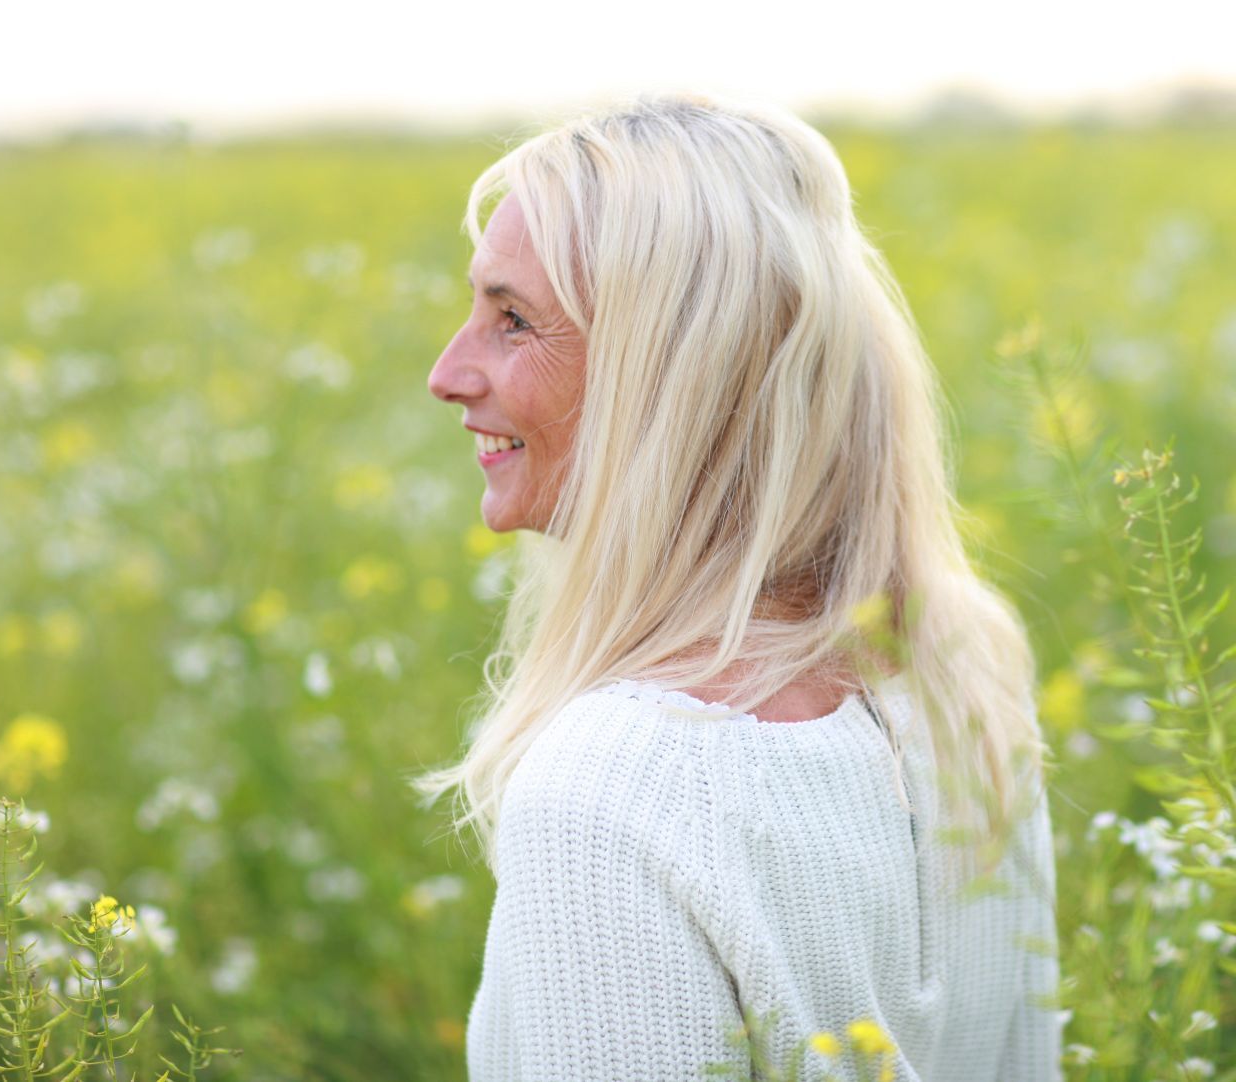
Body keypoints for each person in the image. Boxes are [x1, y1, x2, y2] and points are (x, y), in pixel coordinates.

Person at [415, 91, 1061, 1080]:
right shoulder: (958, 671)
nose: (449, 370)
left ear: (667, 375)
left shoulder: (612, 786)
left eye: (513, 320)